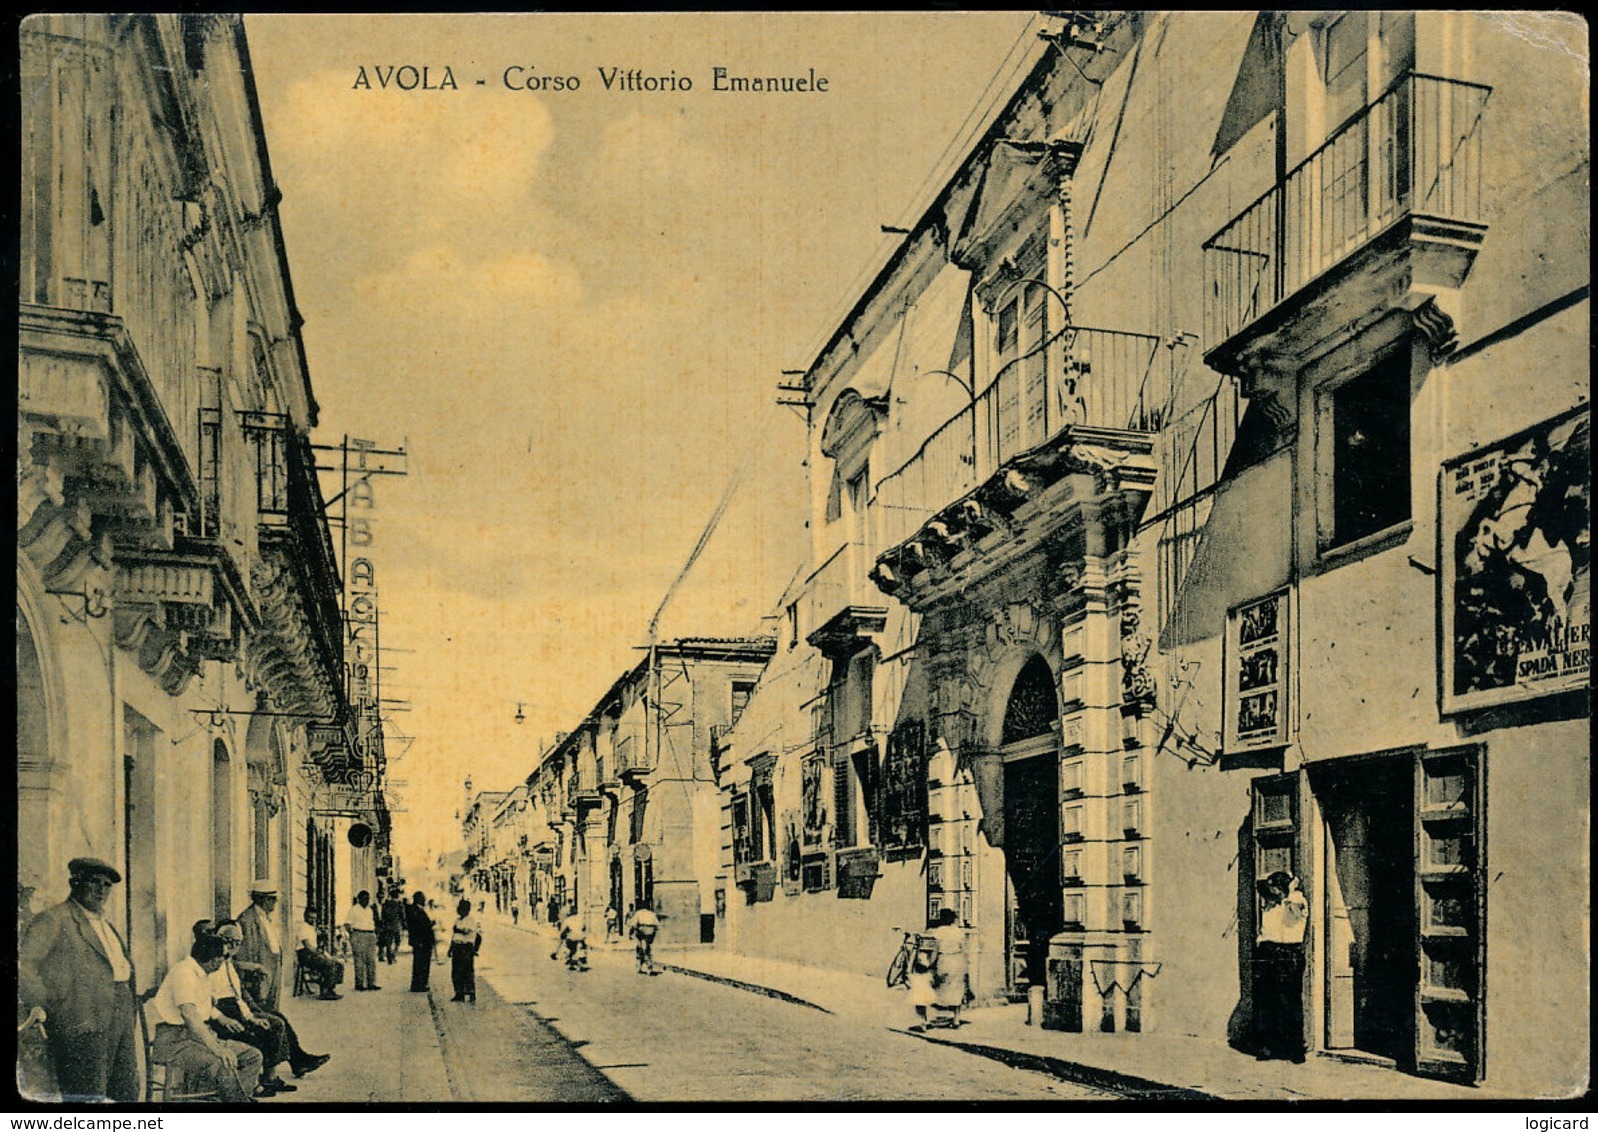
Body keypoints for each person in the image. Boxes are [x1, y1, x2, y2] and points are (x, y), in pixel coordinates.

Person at [17, 858, 139, 1102]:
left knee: (124, 1089)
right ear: (75, 882)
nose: (101, 890)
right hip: (82, 1018)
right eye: (94, 882)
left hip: (121, 1013)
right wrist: (41, 1005)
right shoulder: (54, 919)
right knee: (88, 1093)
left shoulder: (107, 925)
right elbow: (26, 964)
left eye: (107, 885)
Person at [147, 933, 265, 1102]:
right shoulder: (184, 973)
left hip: (196, 1039)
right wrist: (217, 1049)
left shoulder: (202, 974)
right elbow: (190, 1016)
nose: (225, 960)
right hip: (175, 1042)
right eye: (223, 956)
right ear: (213, 959)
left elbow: (204, 1007)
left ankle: (236, 1101)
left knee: (253, 1055)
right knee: (222, 1062)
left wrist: (222, 1018)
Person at [211, 920, 329, 1086]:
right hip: (224, 1011)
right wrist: (249, 1016)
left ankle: (298, 1060)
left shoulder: (227, 961)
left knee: (276, 1015)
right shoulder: (211, 963)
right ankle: (271, 1076)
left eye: (237, 942)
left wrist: (251, 1012)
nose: (234, 946)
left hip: (237, 1005)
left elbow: (237, 990)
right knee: (274, 1024)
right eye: (229, 941)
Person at [1254, 870, 1309, 1063]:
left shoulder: (1297, 901)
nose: (1271, 890)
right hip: (1268, 952)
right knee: (1266, 1001)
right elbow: (1259, 882)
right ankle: (1268, 1047)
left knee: (1290, 1002)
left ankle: (1295, 1049)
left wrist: (1291, 890)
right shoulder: (1269, 905)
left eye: (1275, 887)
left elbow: (1293, 907)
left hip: (1288, 954)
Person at [235, 883, 284, 1012]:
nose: (275, 902)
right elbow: (246, 950)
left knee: (273, 1004)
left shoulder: (265, 917)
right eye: (273, 899)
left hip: (273, 963)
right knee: (261, 1004)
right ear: (264, 900)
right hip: (260, 967)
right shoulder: (247, 919)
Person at [294, 913, 345, 999]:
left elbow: (318, 946)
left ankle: (330, 989)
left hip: (313, 953)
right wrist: (320, 955)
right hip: (305, 954)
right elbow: (308, 946)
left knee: (338, 963)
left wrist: (327, 955)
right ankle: (324, 991)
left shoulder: (312, 928)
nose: (313, 920)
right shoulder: (303, 927)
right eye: (310, 917)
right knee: (329, 963)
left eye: (314, 918)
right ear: (305, 917)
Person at [344, 890, 380, 991]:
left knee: (371, 960)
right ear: (359, 899)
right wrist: (353, 936)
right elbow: (347, 924)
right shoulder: (354, 910)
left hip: (370, 935)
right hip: (358, 934)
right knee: (359, 960)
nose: (366, 901)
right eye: (364, 899)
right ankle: (359, 984)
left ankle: (371, 983)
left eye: (368, 899)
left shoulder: (370, 910)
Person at [448, 898, 482, 1002]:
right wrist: (450, 948)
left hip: (466, 948)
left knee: (467, 971)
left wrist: (457, 929)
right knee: (456, 972)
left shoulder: (471, 920)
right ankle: (459, 993)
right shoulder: (457, 920)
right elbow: (454, 936)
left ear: (466, 909)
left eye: (461, 908)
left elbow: (466, 931)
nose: (458, 909)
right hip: (457, 947)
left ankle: (471, 993)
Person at [404, 891, 436, 992]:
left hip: (424, 942)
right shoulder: (414, 910)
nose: (424, 900)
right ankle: (419, 985)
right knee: (421, 964)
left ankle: (421, 983)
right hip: (421, 942)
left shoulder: (418, 910)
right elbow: (417, 927)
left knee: (423, 963)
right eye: (423, 898)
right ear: (418, 899)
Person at [626, 903, 660, 975]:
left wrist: (630, 933)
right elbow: (657, 925)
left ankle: (639, 965)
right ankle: (649, 967)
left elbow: (633, 924)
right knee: (648, 947)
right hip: (651, 930)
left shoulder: (638, 913)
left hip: (642, 929)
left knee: (639, 946)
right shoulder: (652, 913)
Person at [553, 905, 588, 970]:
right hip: (581, 937)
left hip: (572, 938)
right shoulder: (581, 918)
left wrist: (562, 936)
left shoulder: (568, 920)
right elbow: (584, 927)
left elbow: (563, 930)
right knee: (578, 945)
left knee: (568, 946)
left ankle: (570, 958)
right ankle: (575, 959)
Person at [379, 889, 406, 965]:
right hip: (396, 925)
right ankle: (393, 954)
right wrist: (404, 926)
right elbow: (402, 916)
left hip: (387, 925)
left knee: (388, 943)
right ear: (397, 895)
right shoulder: (399, 904)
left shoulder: (385, 904)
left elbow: (383, 915)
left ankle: (389, 958)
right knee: (397, 942)